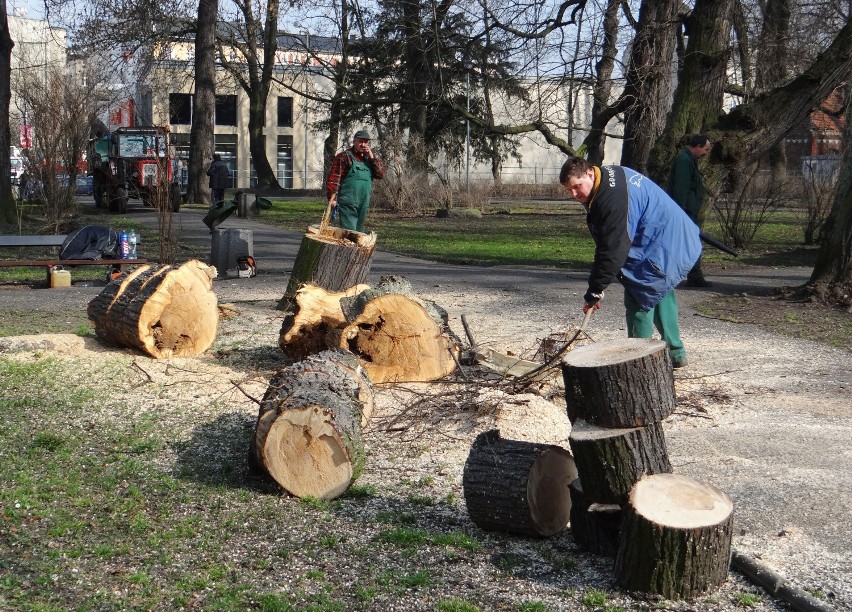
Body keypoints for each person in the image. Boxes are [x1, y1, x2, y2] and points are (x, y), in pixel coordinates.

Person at [560, 156, 702, 368]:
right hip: (672, 236)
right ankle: (676, 354)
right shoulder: (606, 177)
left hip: (664, 244)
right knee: (662, 291)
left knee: (639, 297)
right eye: (568, 190)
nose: (573, 194)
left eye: (577, 186)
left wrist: (595, 290)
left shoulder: (611, 199)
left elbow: (611, 250)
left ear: (590, 174)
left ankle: (637, 363)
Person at [667, 134, 713, 287]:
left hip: (687, 211)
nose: (706, 153)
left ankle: (691, 275)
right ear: (698, 146)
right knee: (691, 244)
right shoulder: (684, 161)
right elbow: (681, 188)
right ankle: (693, 276)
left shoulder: (688, 161)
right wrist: (681, 212)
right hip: (685, 213)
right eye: (705, 149)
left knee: (687, 244)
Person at [326, 130, 385, 232]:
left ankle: (357, 248)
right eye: (360, 142)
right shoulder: (344, 156)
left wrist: (372, 157)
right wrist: (332, 198)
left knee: (359, 233)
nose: (363, 145)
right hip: (348, 202)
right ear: (354, 142)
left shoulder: (369, 159)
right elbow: (334, 179)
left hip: (364, 202)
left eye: (366, 142)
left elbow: (380, 174)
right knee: (349, 232)